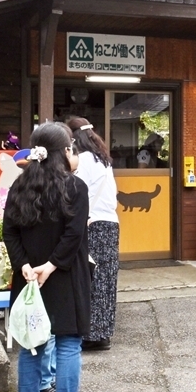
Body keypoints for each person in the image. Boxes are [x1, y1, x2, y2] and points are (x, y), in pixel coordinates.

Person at [3, 122, 90, 392]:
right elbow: (74, 233)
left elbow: (10, 231)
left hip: (28, 280)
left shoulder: (20, 184)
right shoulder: (75, 186)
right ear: (65, 150)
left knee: (32, 345)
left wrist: (24, 265)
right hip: (66, 276)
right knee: (67, 344)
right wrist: (52, 265)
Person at [67, 117, 120, 351]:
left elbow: (74, 193)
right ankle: (103, 333)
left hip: (93, 224)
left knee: (91, 278)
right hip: (111, 223)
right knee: (107, 279)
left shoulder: (83, 161)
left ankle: (92, 334)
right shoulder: (104, 160)